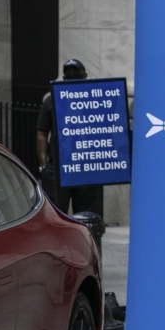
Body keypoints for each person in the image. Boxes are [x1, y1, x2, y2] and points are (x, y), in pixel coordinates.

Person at [36, 58, 103, 217]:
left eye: (76, 73)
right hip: (58, 167)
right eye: (69, 74)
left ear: (84, 76)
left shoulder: (94, 99)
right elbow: (42, 132)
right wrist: (44, 167)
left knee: (87, 217)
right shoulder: (51, 100)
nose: (72, 76)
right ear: (64, 78)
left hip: (86, 166)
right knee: (56, 217)